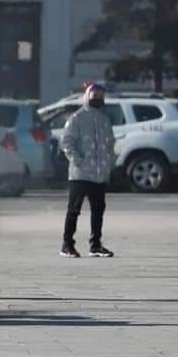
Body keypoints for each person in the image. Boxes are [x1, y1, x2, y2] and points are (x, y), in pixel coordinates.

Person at [59, 83, 116, 259]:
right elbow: (67, 142)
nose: (98, 98)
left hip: (99, 174)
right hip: (80, 174)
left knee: (98, 210)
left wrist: (109, 163)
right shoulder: (77, 118)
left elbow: (110, 143)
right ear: (87, 96)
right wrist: (78, 161)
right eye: (94, 95)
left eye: (101, 96)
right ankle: (67, 245)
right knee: (74, 209)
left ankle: (95, 245)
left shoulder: (104, 119)